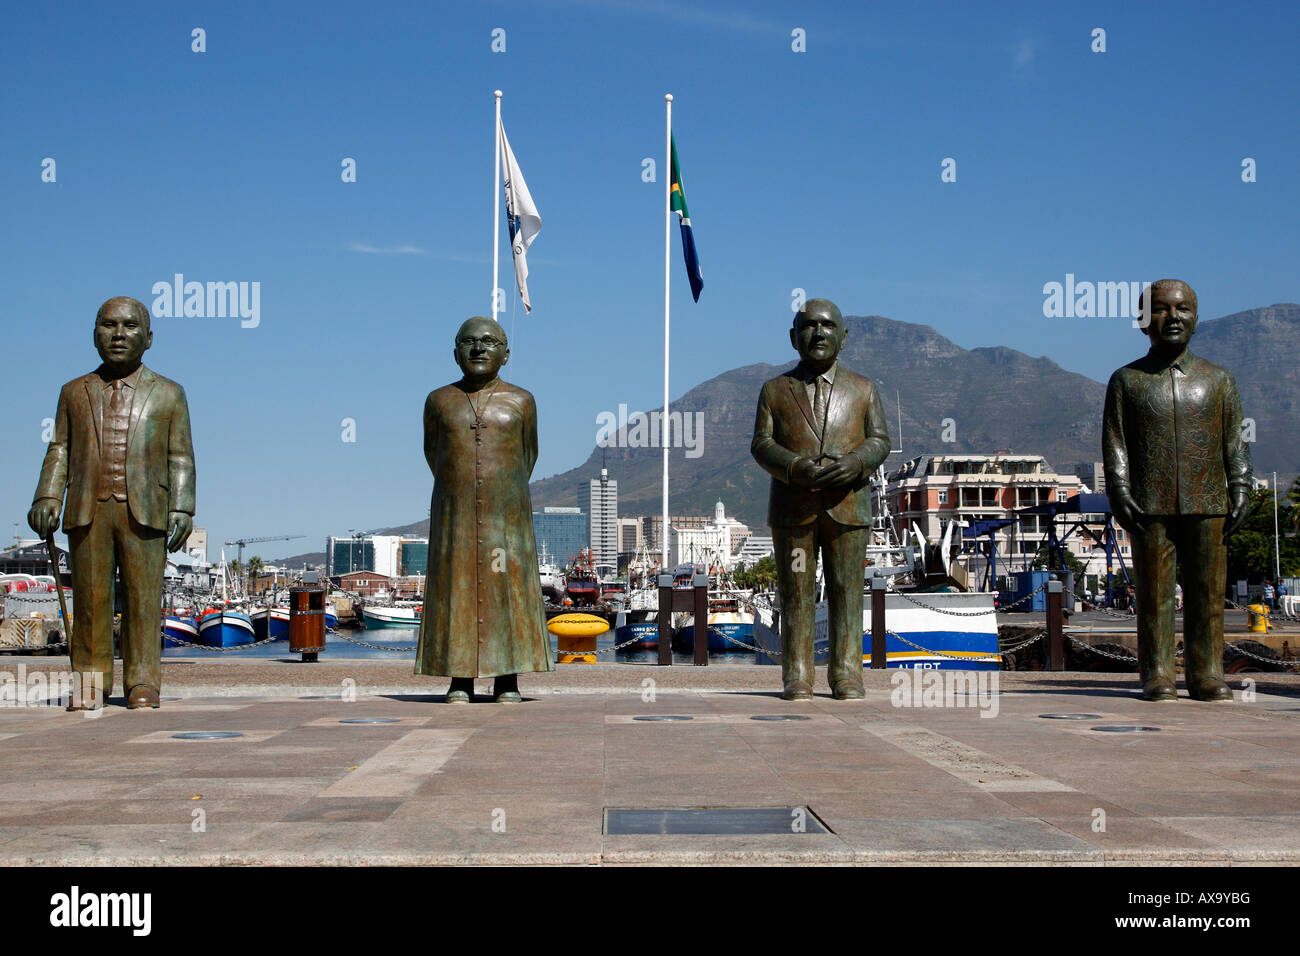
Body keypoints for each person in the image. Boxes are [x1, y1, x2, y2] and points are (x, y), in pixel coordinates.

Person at [27, 297, 195, 710]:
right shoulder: (73, 392)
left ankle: (142, 683)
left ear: (149, 337)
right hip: (88, 508)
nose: (118, 334)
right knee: (89, 601)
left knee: (142, 600)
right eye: (108, 325)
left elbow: (180, 456)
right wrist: (48, 495)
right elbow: (60, 449)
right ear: (94, 334)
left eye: (129, 326)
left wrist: (183, 507)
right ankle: (89, 685)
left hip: (147, 510)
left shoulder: (170, 393)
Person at [1103, 279, 1251, 702]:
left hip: (1208, 501)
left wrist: (1240, 486)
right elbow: (1115, 443)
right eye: (1161, 309)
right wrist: (1118, 490)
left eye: (1182, 309)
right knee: (1154, 595)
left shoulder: (1219, 381)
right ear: (1143, 321)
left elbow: (1235, 442)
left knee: (1208, 594)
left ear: (1196, 319)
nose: (1172, 317)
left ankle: (1207, 672)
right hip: (1149, 502)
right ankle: (1158, 673)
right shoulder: (1127, 381)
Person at [751, 298, 890, 700]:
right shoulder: (775, 390)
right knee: (795, 593)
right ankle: (797, 674)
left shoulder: (864, 389)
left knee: (847, 590)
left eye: (828, 326)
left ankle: (848, 674)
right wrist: (794, 467)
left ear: (843, 337)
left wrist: (856, 462)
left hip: (848, 506)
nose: (818, 333)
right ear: (794, 337)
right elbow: (761, 444)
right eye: (809, 326)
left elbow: (880, 439)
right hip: (794, 509)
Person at [414, 317, 552, 702]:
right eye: (469, 342)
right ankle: (460, 679)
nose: (479, 349)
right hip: (454, 515)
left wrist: (500, 494)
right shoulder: (438, 401)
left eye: (489, 342)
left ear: (505, 354)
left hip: (506, 518)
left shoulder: (523, 401)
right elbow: (433, 454)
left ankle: (508, 680)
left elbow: (528, 456)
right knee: (455, 593)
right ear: (455, 351)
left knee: (508, 594)